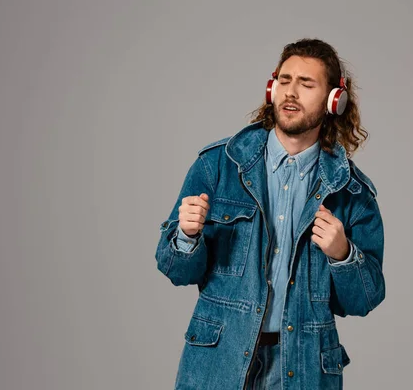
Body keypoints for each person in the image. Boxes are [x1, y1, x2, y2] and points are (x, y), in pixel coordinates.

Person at [155, 38, 386, 390]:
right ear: (271, 88)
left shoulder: (351, 192)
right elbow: (175, 270)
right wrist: (186, 237)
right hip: (218, 363)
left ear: (333, 101)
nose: (290, 93)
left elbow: (363, 300)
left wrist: (344, 255)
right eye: (284, 80)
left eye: (306, 84)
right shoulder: (218, 166)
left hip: (304, 367)